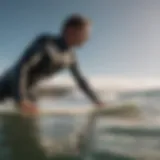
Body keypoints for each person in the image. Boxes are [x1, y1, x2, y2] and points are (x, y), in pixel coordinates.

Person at [0, 14, 104, 114]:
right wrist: (21, 99)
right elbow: (23, 66)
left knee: (31, 122)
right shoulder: (46, 43)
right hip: (8, 84)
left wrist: (97, 101)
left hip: (30, 90)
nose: (87, 38)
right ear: (71, 30)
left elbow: (80, 81)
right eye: (86, 33)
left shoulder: (71, 57)